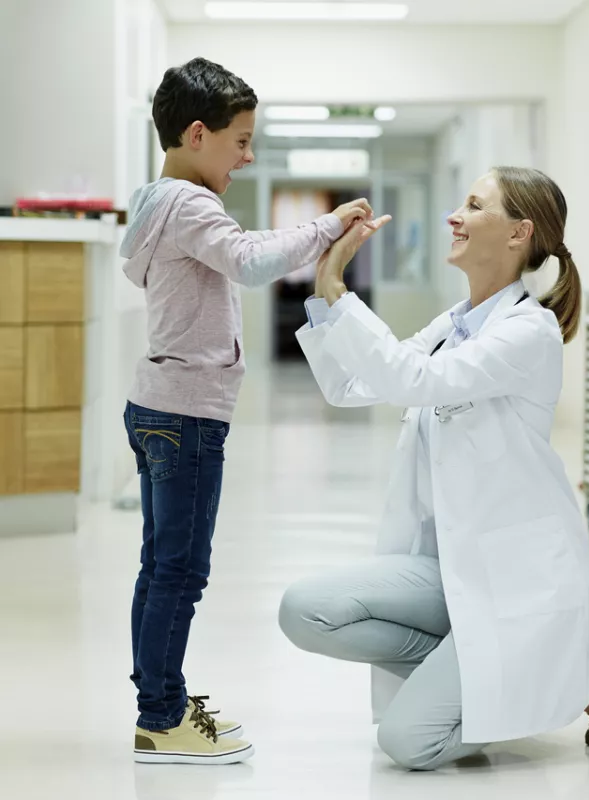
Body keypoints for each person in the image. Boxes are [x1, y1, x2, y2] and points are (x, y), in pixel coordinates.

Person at [279, 167, 589, 770]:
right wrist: (322, 287)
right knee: (304, 610)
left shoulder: (528, 332)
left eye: (473, 205)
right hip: (453, 572)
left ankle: (572, 676)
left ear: (519, 233)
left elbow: (414, 381)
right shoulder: (454, 325)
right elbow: (352, 384)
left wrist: (339, 286)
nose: (454, 216)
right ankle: (484, 665)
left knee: (410, 743)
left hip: (519, 584)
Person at [120, 57, 373, 766]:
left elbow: (239, 254)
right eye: (240, 140)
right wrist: (327, 228)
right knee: (180, 571)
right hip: (188, 415)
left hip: (157, 406)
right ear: (197, 134)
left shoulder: (155, 202)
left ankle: (158, 701)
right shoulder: (191, 204)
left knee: (159, 567)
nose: (248, 155)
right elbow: (253, 262)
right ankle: (161, 718)